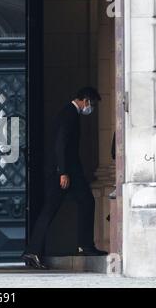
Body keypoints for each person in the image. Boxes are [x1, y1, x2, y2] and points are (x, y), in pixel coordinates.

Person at [22, 87, 108, 270]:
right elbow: (60, 144)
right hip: (65, 173)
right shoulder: (69, 114)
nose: (91, 108)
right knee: (56, 208)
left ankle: (84, 245)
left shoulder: (68, 113)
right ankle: (37, 250)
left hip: (67, 172)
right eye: (91, 104)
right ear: (86, 100)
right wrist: (63, 172)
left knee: (84, 202)